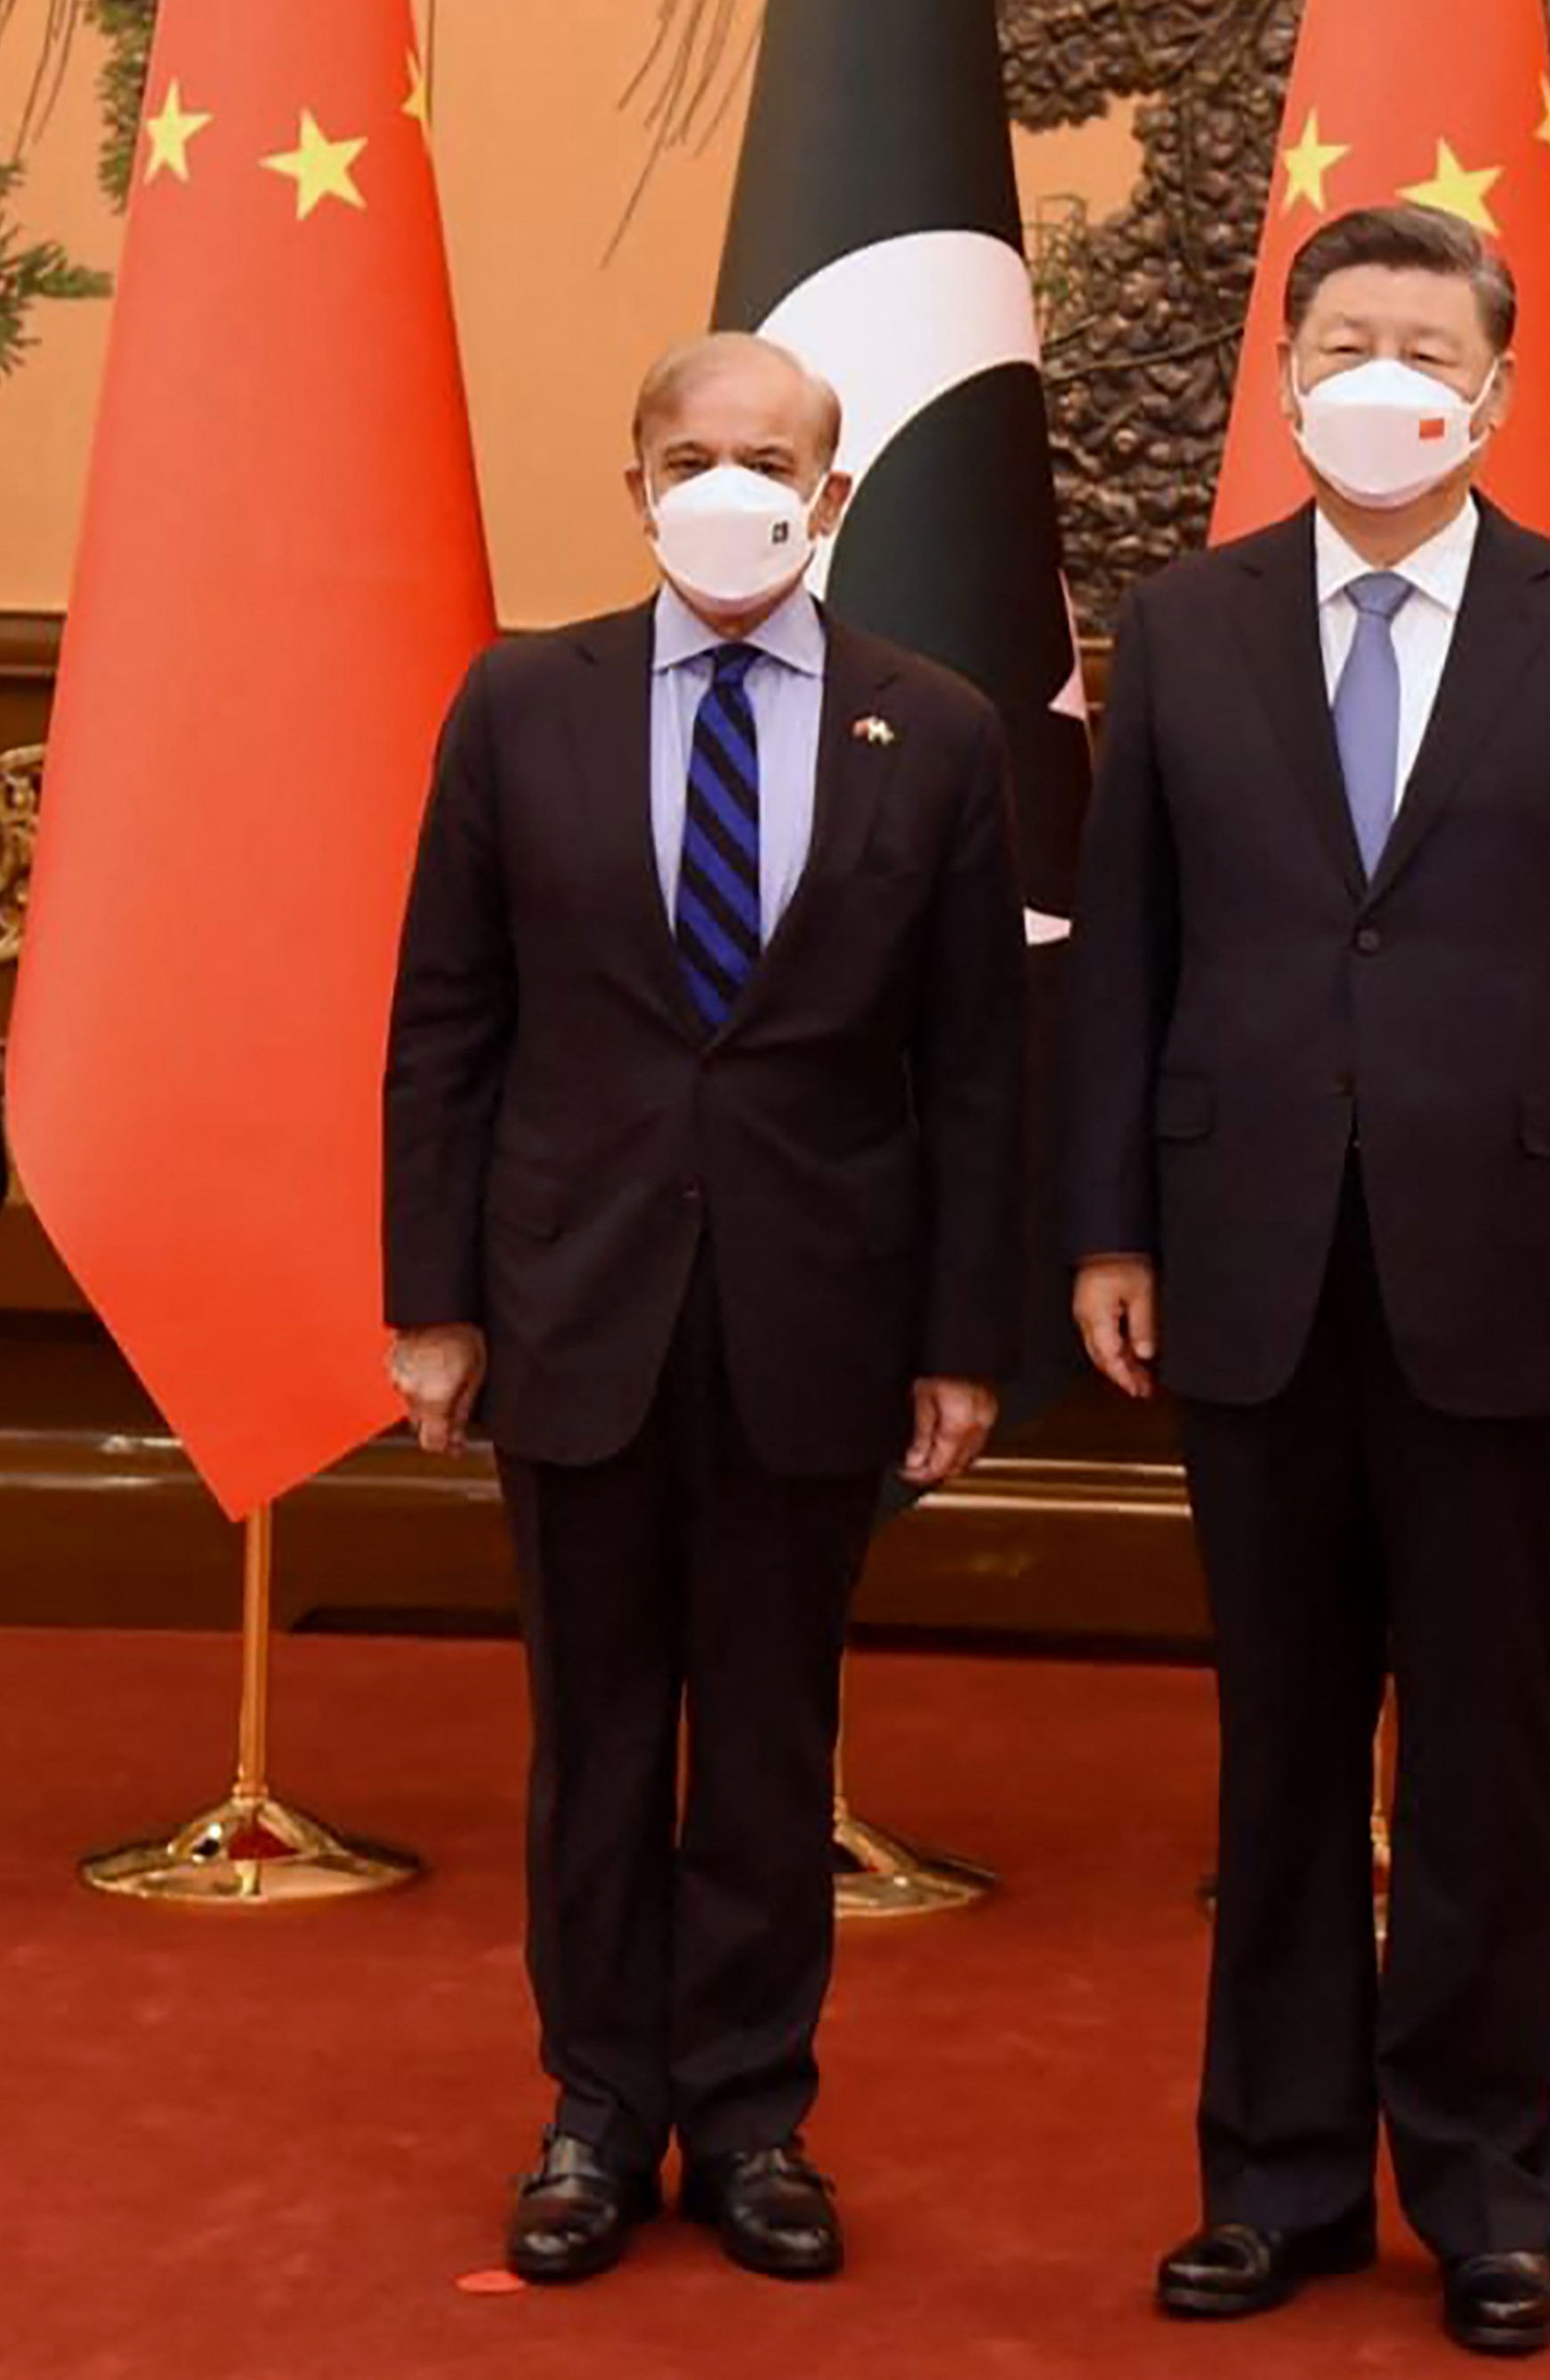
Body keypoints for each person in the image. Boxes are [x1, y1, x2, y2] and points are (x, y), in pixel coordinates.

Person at [1064, 204, 1550, 2358]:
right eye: (1342, 336)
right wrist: (1107, 1225)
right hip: (1246, 1261)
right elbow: (1125, 956)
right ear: (1282, 373)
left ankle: (1486, 2192)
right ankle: (1269, 2182)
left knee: (1491, 1755)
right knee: (1278, 1748)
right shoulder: (1183, 628)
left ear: (1495, 390)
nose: (1381, 374)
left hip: (1522, 1266)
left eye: (1423, 346)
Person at [382, 332, 1026, 2287]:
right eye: (691, 458)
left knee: (765, 1735)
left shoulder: (938, 728)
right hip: (573, 1302)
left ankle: (750, 2118)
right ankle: (594, 2111)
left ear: (831, 498)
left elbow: (977, 1066)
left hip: (815, 1315)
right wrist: (433, 1302)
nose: (727, 489)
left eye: (769, 460)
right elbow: (447, 1020)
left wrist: (961, 1335)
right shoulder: (521, 703)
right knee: (593, 1737)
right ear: (638, 485)